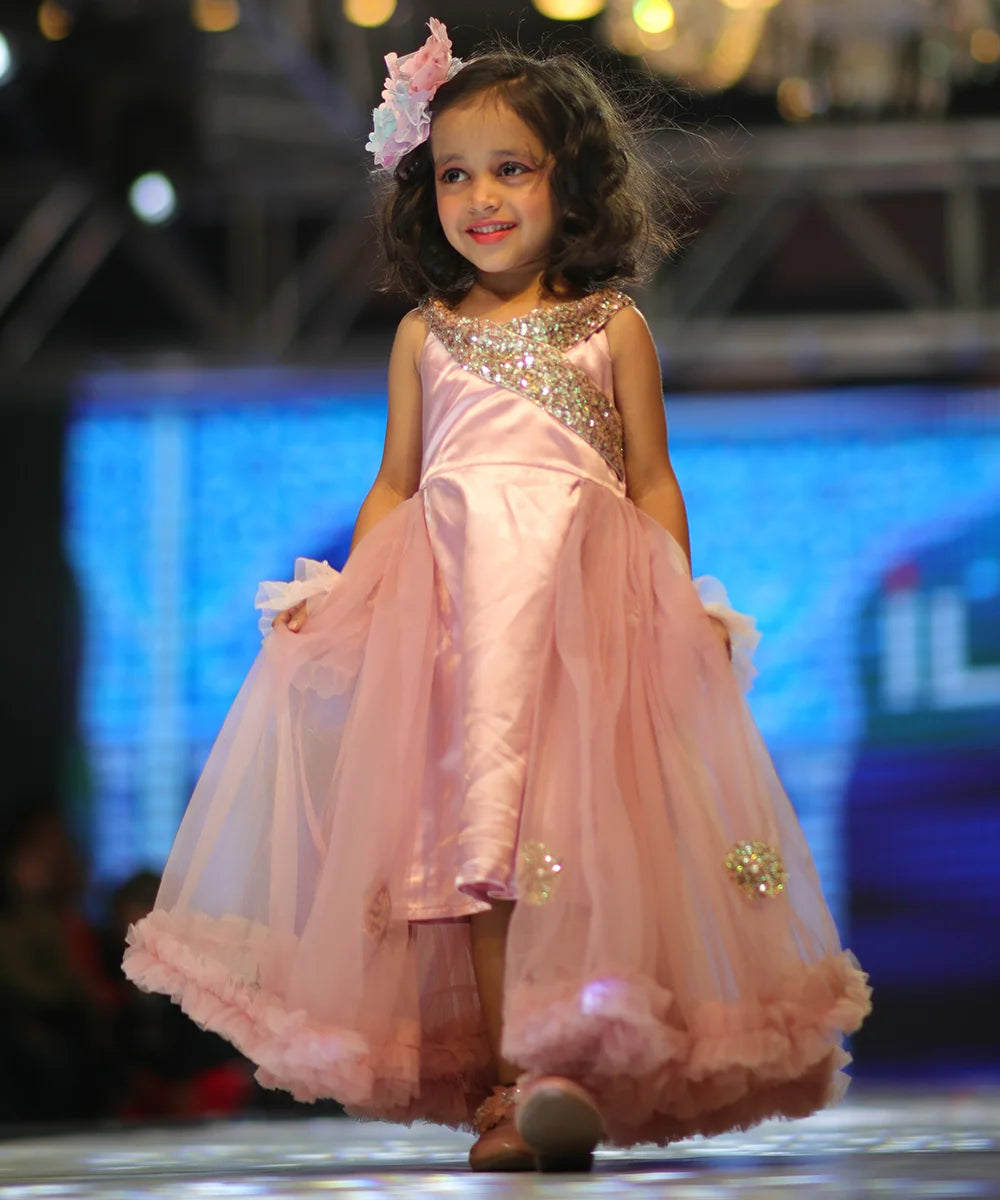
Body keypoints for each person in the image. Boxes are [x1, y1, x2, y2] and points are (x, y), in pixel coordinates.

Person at [123, 20, 871, 1173]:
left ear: (571, 181)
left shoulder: (611, 329)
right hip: (459, 631)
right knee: (472, 853)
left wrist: (674, 606)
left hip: (583, 632)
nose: (480, 198)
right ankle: (510, 1081)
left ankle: (578, 1058)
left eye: (510, 169)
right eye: (454, 175)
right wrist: (349, 599)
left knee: (588, 844)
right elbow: (396, 483)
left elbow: (649, 479)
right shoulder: (425, 339)